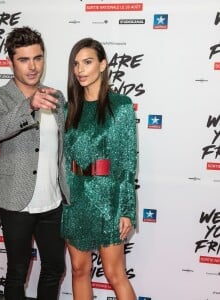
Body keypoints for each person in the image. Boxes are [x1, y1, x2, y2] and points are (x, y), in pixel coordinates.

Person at [0, 26, 69, 300]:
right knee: (17, 272)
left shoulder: (56, 97)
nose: (33, 67)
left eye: (38, 58)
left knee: (54, 267)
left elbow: (62, 148)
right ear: (10, 61)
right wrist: (28, 105)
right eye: (24, 59)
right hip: (15, 201)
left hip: (53, 202)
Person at [61, 37, 137, 300]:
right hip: (75, 197)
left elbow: (127, 161)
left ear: (103, 65)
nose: (80, 69)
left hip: (108, 199)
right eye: (76, 64)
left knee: (115, 274)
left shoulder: (121, 106)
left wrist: (126, 209)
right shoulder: (67, 108)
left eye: (88, 62)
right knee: (79, 270)